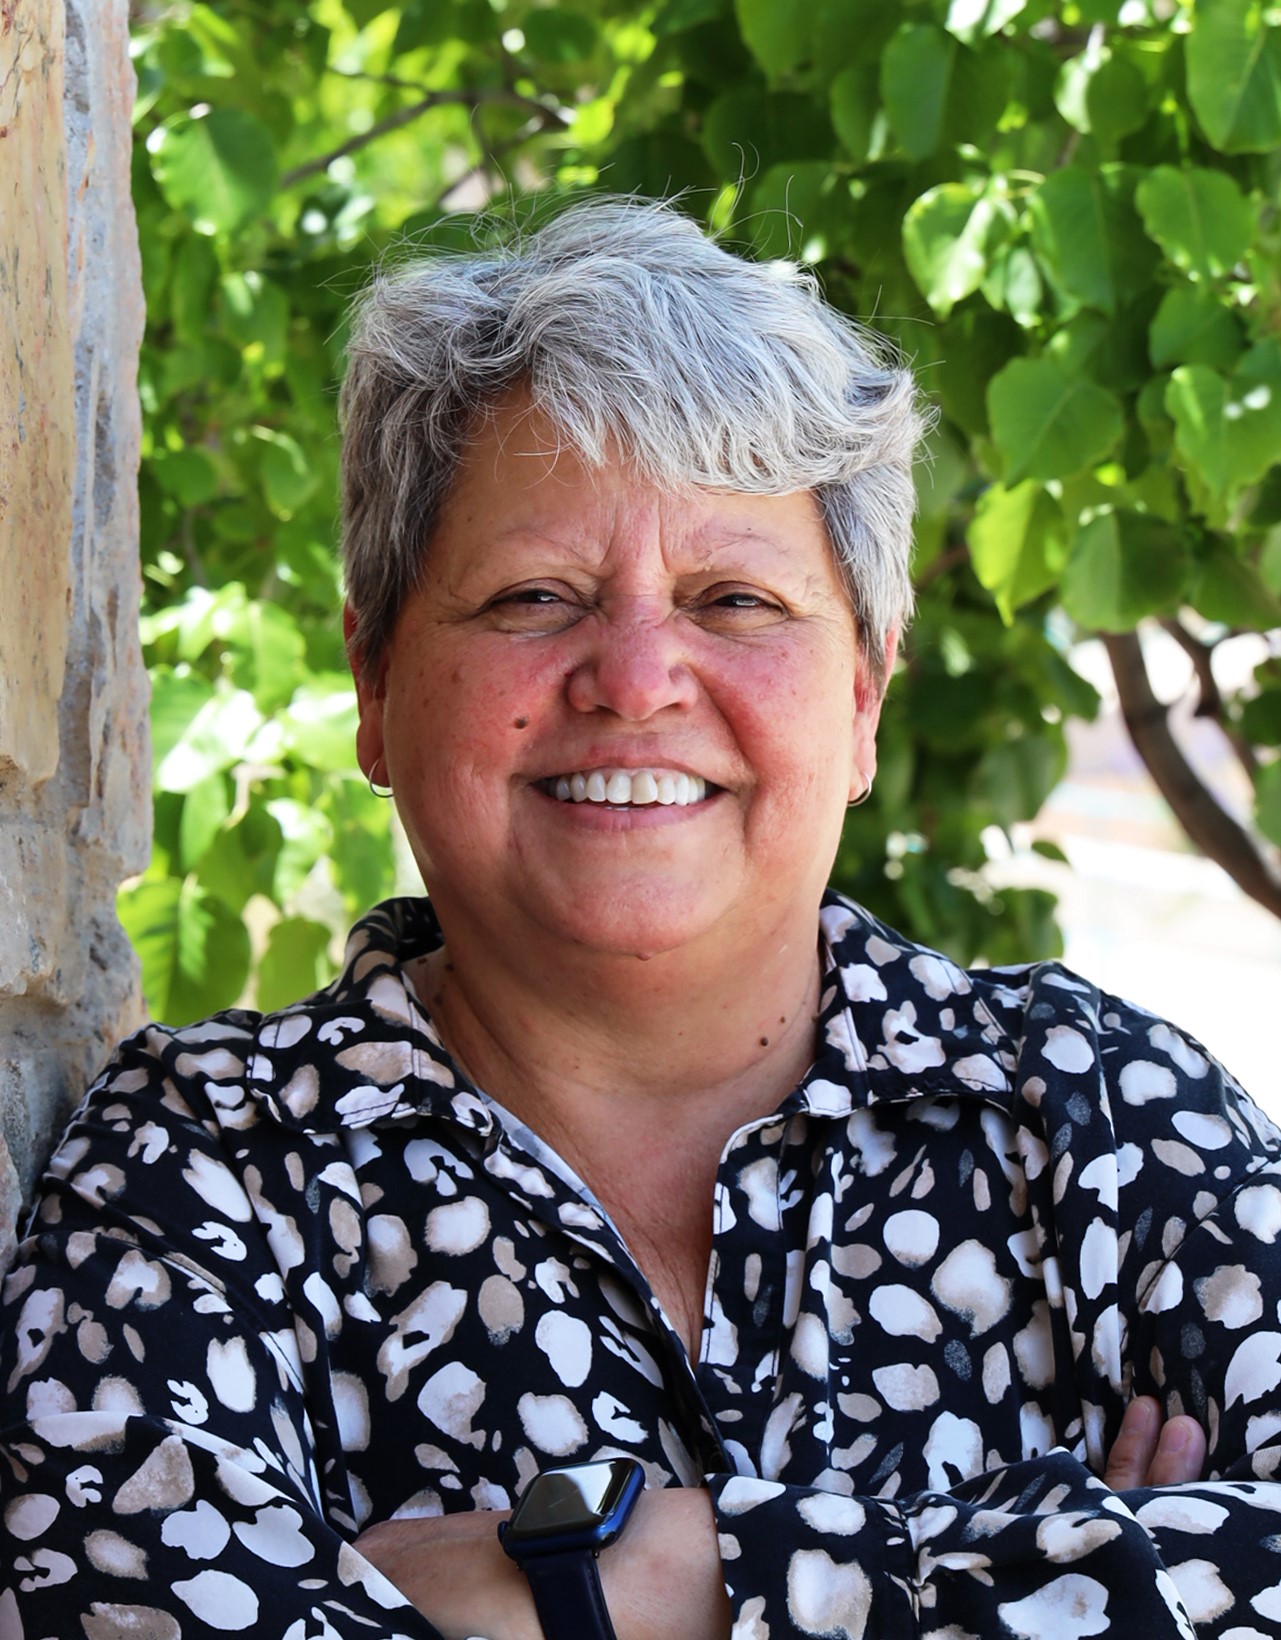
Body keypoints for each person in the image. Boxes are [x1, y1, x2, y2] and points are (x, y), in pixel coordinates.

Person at [3, 196, 1280, 1640]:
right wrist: (1051, 1575)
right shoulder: (199, 1171)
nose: (635, 677)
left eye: (733, 599)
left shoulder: (1101, 1117)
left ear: (860, 697)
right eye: (534, 597)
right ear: (374, 687)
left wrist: (638, 1573)